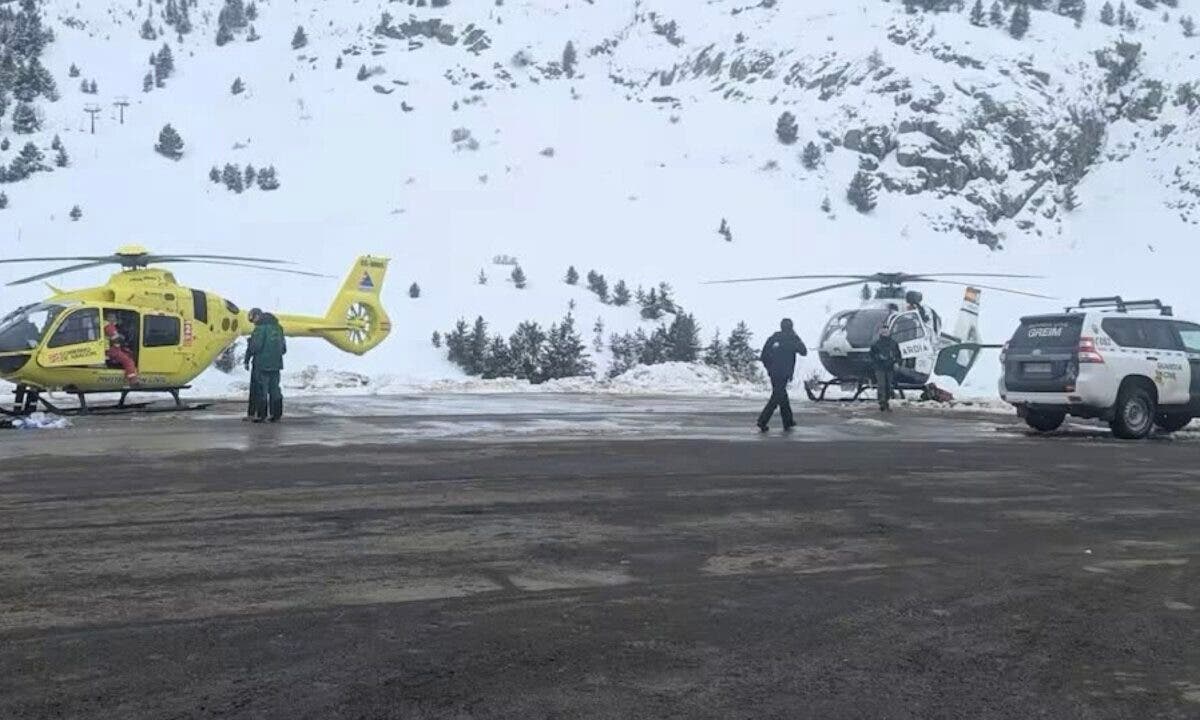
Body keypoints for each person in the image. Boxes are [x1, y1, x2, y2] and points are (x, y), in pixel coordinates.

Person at [757, 318, 808, 432]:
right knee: (776, 397)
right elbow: (804, 351)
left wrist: (769, 368)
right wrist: (797, 337)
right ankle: (762, 421)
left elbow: (763, 356)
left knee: (782, 396)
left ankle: (788, 421)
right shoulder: (792, 339)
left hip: (774, 373)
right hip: (784, 373)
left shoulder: (773, 338)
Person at [244, 308, 287, 423]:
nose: (253, 322)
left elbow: (255, 347)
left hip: (261, 365)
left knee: (260, 390)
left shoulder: (260, 329)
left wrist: (248, 354)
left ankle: (261, 415)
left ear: (257, 316)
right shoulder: (279, 328)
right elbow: (283, 349)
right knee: (275, 389)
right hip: (276, 365)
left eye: (253, 319)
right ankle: (276, 414)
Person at [869, 326, 902, 412]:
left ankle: (887, 402)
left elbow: (898, 355)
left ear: (889, 332)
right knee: (881, 385)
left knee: (888, 386)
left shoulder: (893, 343)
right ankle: (882, 403)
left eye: (886, 332)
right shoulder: (876, 343)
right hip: (879, 368)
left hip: (890, 368)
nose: (884, 333)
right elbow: (871, 355)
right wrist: (878, 358)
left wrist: (896, 362)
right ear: (880, 333)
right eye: (883, 332)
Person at [103, 313, 139, 385]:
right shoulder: (109, 326)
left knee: (128, 354)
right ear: (109, 318)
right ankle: (132, 380)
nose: (115, 319)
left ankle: (126, 381)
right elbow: (115, 338)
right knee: (128, 361)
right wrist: (121, 339)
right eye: (113, 317)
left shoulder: (104, 324)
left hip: (109, 349)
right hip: (112, 350)